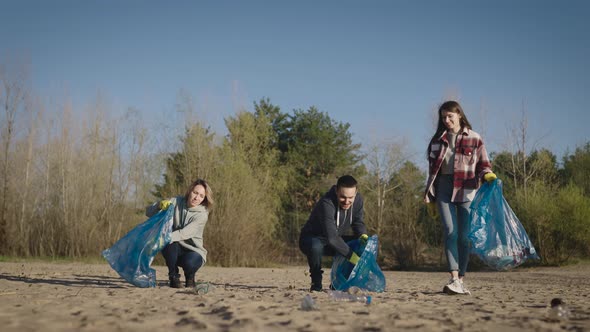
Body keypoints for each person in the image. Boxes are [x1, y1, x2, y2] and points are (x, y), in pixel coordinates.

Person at [424, 100, 497, 295]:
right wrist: (429, 195)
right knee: (450, 231)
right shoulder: (437, 140)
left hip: (467, 187)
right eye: (443, 117)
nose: (446, 120)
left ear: (459, 115)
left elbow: (483, 164)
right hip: (444, 188)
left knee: (464, 237)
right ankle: (453, 278)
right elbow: (432, 172)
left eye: (450, 116)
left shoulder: (474, 138)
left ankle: (462, 279)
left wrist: (487, 175)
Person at [299, 175, 368, 292]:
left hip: (334, 239)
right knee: (316, 246)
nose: (347, 201)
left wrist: (363, 236)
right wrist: (353, 258)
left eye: (350, 197)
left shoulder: (358, 201)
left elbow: (358, 222)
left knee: (358, 244)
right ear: (336, 191)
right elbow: (332, 238)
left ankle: (338, 283)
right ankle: (316, 282)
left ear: (356, 192)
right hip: (311, 240)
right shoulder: (326, 203)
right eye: (343, 197)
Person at [146, 179, 214, 288]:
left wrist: (164, 237)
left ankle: (190, 276)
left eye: (201, 196)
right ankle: (173, 277)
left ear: (204, 199)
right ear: (189, 191)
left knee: (189, 263)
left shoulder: (202, 215)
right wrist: (159, 205)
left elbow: (184, 233)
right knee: (169, 242)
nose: (197, 198)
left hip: (194, 251)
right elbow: (148, 212)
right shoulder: (176, 201)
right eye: (195, 193)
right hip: (174, 249)